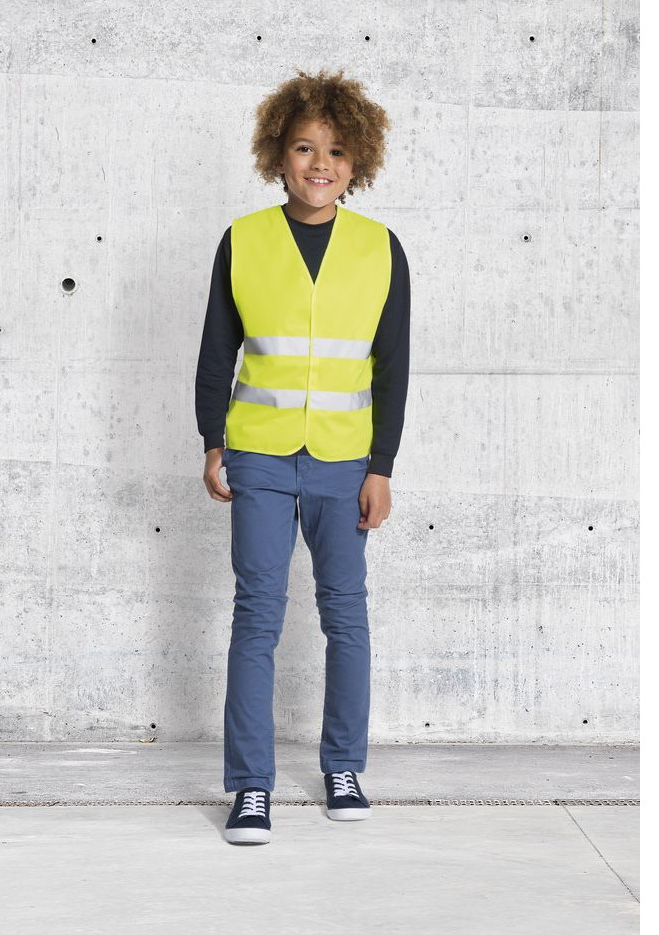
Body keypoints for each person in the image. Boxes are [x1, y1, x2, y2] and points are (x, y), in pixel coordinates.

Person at [194, 67, 411, 845]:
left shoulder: (380, 248)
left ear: (358, 163)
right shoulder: (243, 240)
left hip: (344, 463)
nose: (321, 164)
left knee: (345, 614)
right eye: (305, 148)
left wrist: (381, 467)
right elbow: (217, 350)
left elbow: (392, 366)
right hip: (256, 453)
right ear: (277, 155)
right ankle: (250, 786)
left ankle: (343, 768)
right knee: (256, 615)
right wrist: (211, 441)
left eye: (338, 152)